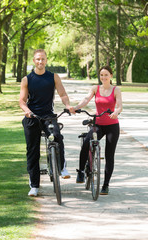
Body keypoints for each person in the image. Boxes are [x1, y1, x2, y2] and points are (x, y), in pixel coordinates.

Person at [19, 49, 72, 197]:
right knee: (32, 151)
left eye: (42, 59)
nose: (40, 62)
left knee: (57, 136)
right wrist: (26, 110)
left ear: (46, 60)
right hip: (32, 117)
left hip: (48, 115)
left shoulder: (53, 77)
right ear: (33, 61)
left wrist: (67, 105)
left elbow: (63, 94)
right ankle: (34, 186)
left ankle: (61, 168)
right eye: (37, 59)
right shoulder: (27, 79)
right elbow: (22, 101)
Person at [70, 66, 122, 195]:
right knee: (87, 142)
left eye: (106, 75)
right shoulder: (95, 88)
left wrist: (116, 112)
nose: (103, 77)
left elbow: (120, 105)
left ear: (111, 75)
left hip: (112, 126)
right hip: (98, 124)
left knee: (109, 155)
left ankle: (105, 185)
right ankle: (81, 172)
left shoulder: (116, 90)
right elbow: (86, 99)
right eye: (101, 75)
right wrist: (75, 107)